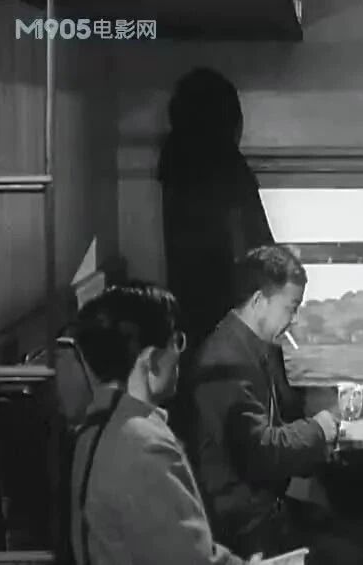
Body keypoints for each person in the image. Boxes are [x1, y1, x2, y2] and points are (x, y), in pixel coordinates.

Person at [69, 283, 255, 565]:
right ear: (151, 360)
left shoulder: (90, 431)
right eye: (176, 341)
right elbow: (189, 559)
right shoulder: (143, 443)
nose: (180, 354)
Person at [190, 245, 347, 562]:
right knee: (355, 546)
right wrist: (320, 429)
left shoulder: (251, 348)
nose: (294, 319)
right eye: (291, 307)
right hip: (244, 525)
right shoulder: (225, 361)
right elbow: (260, 450)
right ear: (259, 301)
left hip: (263, 509)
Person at [157, 67, 275, 446]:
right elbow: (259, 255)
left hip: (184, 323)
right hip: (227, 322)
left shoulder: (172, 164)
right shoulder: (229, 169)